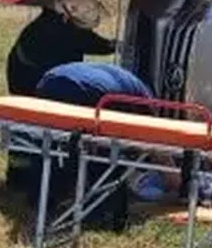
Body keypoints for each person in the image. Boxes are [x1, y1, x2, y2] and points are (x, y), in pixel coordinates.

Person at [5, 0, 116, 189]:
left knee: (25, 125)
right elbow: (93, 43)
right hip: (31, 81)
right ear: (68, 14)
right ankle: (31, 178)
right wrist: (115, 45)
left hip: (24, 74)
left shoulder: (53, 21)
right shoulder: (61, 30)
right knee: (36, 128)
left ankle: (22, 175)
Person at [32, 62, 155, 231]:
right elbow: (151, 142)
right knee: (105, 151)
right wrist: (176, 180)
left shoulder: (125, 79)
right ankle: (98, 211)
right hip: (94, 95)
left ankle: (50, 194)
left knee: (60, 142)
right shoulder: (145, 104)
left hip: (47, 82)